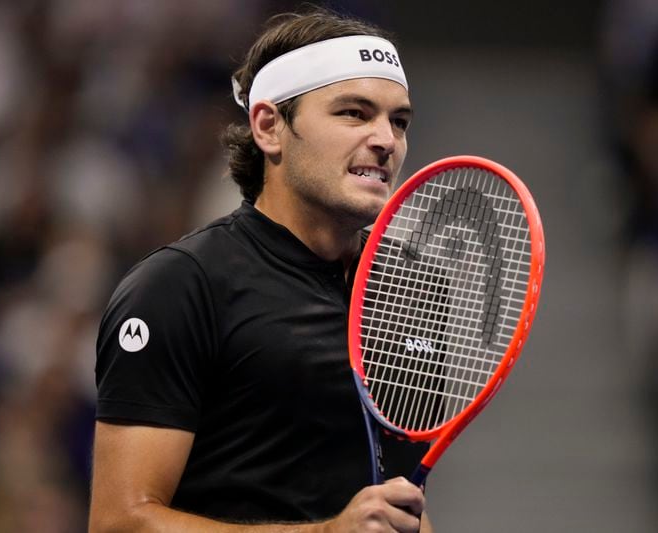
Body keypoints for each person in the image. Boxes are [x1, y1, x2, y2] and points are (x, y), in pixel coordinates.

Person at [89, 7, 434, 533]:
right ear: (270, 127)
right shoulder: (178, 287)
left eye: (399, 120)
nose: (387, 139)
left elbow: (397, 501)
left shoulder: (412, 287)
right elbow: (120, 522)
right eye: (354, 113)